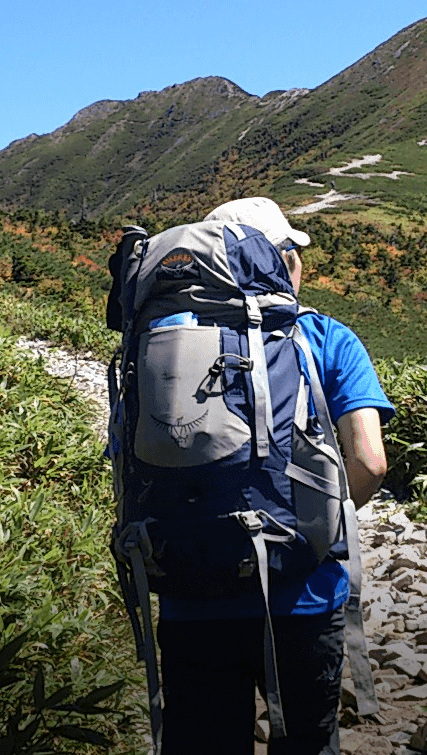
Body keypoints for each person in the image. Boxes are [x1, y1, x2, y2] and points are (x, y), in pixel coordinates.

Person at [154, 196, 393, 755]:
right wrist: (316, 524)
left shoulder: (163, 342)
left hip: (192, 589)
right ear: (282, 259)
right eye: (295, 252)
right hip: (302, 593)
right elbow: (370, 461)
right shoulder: (327, 337)